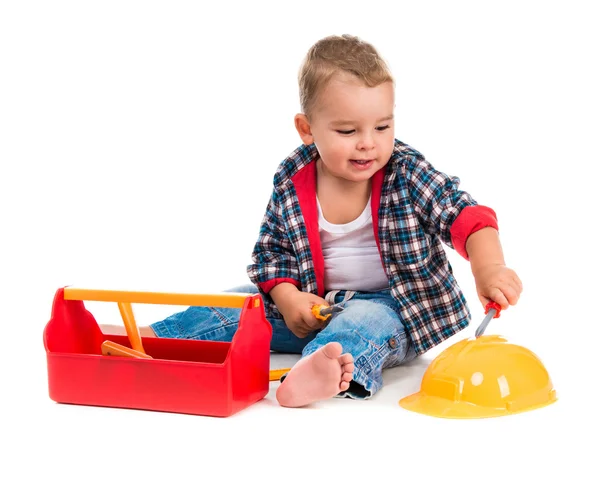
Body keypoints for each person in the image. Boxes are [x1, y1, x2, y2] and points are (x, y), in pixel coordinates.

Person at [146, 34, 523, 408]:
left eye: (382, 127)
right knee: (239, 306)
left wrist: (489, 268)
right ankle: (148, 341)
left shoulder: (406, 172)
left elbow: (466, 216)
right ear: (307, 129)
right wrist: (288, 297)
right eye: (347, 131)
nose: (368, 143)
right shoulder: (293, 179)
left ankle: (317, 372)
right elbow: (272, 254)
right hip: (312, 307)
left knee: (360, 325)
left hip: (393, 308)